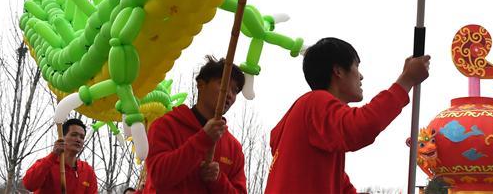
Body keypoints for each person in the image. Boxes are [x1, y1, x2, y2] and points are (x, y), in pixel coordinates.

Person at [264, 37, 430, 193]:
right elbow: (361, 126)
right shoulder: (314, 102)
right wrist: (406, 80)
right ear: (338, 71)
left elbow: (343, 188)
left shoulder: (316, 130)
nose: (361, 76)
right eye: (356, 66)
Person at [143, 57, 247, 193]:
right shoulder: (166, 125)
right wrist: (203, 139)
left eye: (234, 90)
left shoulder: (234, 148)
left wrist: (217, 180)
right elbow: (159, 178)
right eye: (223, 84)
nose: (229, 95)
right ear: (201, 85)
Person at [23, 118, 98, 194]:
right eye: (74, 135)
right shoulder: (47, 164)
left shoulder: (88, 171)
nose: (78, 139)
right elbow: (29, 185)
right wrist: (53, 155)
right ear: (62, 137)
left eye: (82, 137)